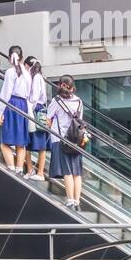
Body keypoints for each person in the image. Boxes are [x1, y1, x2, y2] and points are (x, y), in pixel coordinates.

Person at [47, 75, 88, 209]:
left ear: (61, 85)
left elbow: (48, 119)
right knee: (77, 172)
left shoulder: (56, 101)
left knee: (67, 171)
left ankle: (70, 200)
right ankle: (77, 201)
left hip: (61, 139)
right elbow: (79, 121)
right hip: (76, 140)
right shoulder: (79, 101)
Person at [0, 45, 32, 171]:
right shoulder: (27, 74)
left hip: (11, 104)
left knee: (4, 141)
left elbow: (6, 92)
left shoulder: (11, 72)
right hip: (23, 105)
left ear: (10, 58)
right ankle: (19, 169)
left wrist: (0, 111)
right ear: (21, 57)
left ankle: (11, 168)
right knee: (20, 142)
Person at [25, 56, 50, 180]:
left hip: (35, 110)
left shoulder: (36, 77)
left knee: (30, 142)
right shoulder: (39, 77)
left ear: (27, 66)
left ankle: (35, 171)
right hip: (39, 110)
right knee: (39, 144)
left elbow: (34, 97)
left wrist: (29, 108)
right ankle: (36, 171)